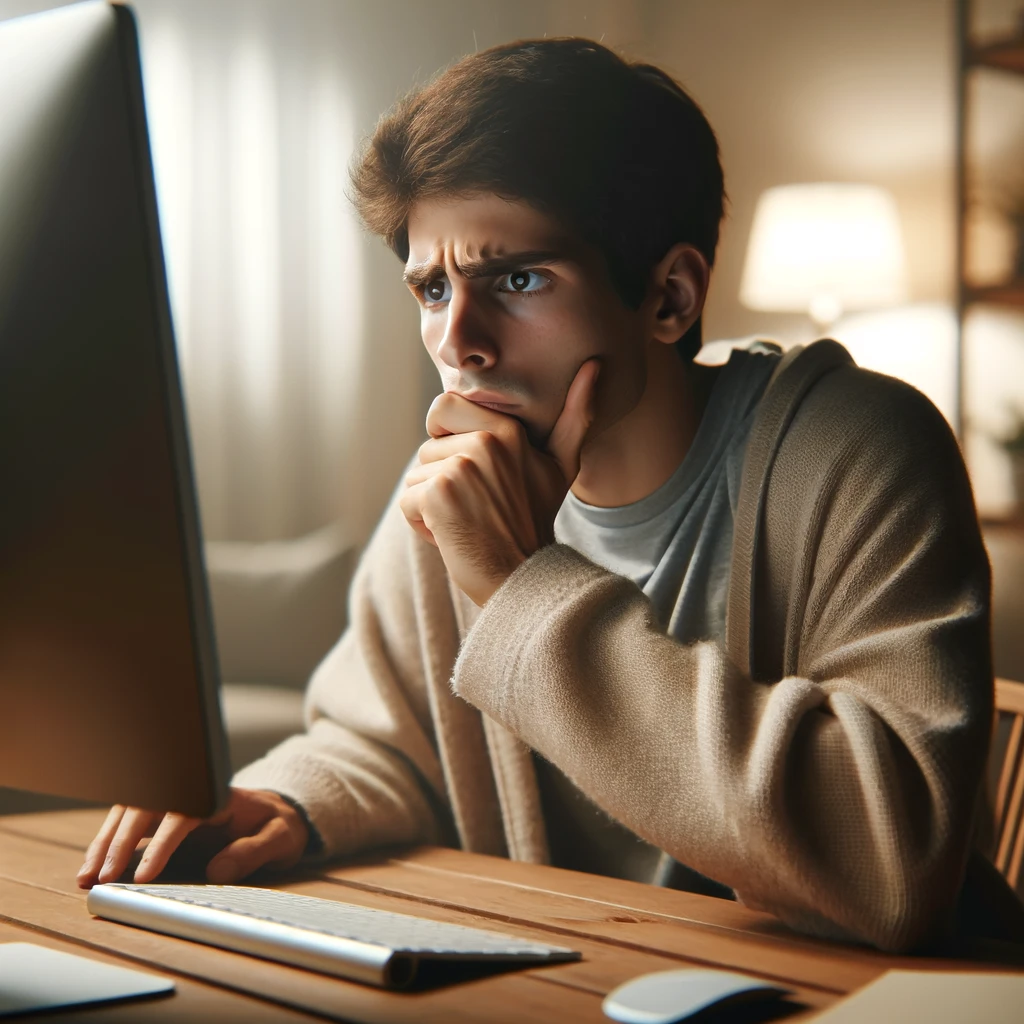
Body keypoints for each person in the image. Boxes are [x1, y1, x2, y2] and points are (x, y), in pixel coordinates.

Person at [77, 38, 997, 953]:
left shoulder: (860, 448)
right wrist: (289, 802)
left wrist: (521, 585)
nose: (459, 340)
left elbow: (894, 862)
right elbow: (390, 741)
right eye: (432, 288)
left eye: (516, 279)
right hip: (577, 973)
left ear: (670, 297)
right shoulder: (452, 481)